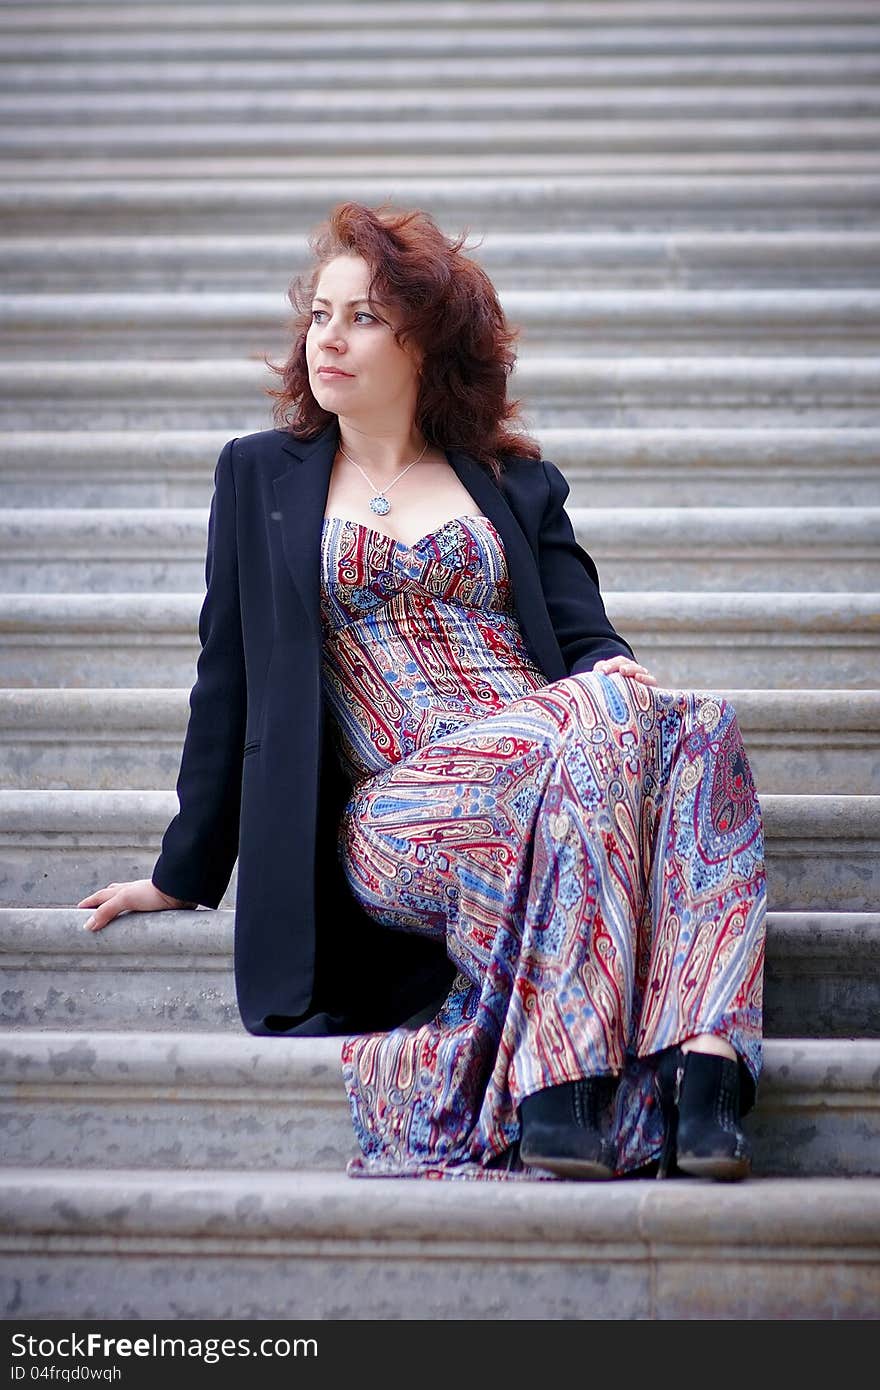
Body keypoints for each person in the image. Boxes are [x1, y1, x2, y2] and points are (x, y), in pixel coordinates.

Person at [77, 201, 767, 1183]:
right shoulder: (259, 477)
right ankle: (602, 1065)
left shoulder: (513, 482)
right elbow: (224, 678)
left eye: (362, 317)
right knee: (617, 716)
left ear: (426, 342)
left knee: (699, 724)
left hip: (556, 776)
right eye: (321, 314)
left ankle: (698, 1068)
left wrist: (618, 688)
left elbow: (587, 641)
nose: (329, 337)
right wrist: (184, 871)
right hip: (399, 809)